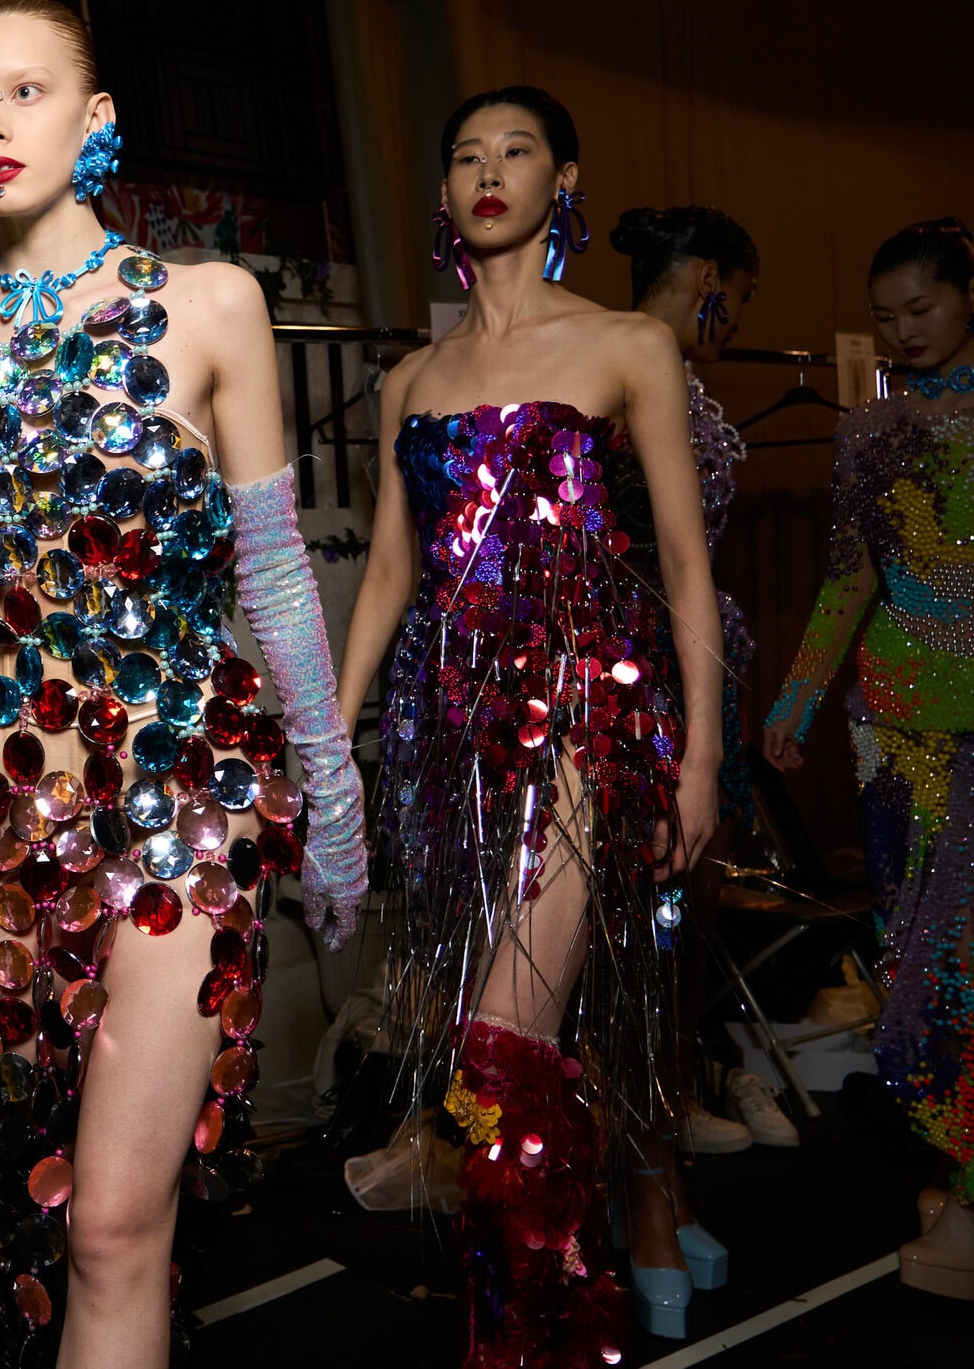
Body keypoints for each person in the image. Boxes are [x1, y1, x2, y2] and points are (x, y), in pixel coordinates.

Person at [0, 0, 367, 1365]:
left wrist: (332, 788)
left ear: (97, 118)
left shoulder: (212, 306)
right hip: (3, 815)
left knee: (110, 1220)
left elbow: (274, 571)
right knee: (46, 1221)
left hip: (182, 795)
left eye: (23, 92)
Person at [337, 87, 725, 1358]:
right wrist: (330, 739)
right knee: (488, 1056)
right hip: (446, 735)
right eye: (465, 155)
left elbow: (683, 563)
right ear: (443, 193)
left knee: (504, 1045)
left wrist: (703, 752)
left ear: (566, 180)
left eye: (516, 151)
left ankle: (542, 1329)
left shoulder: (628, 344)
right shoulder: (411, 378)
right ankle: (537, 1303)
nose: (488, 171)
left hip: (579, 719)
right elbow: (388, 572)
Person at [764, 218, 974, 1300]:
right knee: (906, 958)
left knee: (958, 959)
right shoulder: (867, 430)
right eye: (886, 316)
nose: (903, 332)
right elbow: (850, 577)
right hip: (890, 728)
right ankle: (956, 1166)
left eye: (921, 308)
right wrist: (798, 697)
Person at [605, 203, 787, 1298]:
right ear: (709, 278)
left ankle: (658, 1170)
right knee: (635, 949)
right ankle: (640, 1185)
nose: (739, 321)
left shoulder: (674, 380)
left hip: (692, 696)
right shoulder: (616, 370)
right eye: (741, 297)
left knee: (677, 949)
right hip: (627, 697)